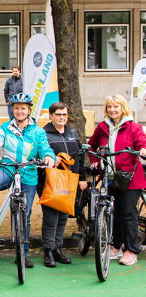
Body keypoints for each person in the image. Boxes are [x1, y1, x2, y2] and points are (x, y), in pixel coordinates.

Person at [0, 93, 55, 267]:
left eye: (23, 108)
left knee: (24, 214)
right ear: (12, 109)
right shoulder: (6, 127)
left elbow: (45, 149)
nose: (19, 111)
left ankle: (23, 254)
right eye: (16, 108)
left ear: (29, 110)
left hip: (28, 173)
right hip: (7, 168)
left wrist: (49, 157)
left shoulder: (38, 131)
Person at [88, 94, 146, 267]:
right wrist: (94, 162)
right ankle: (115, 246)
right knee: (114, 213)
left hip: (130, 177)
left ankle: (131, 250)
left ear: (123, 108)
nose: (112, 110)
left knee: (128, 214)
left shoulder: (133, 127)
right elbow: (91, 145)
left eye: (116, 106)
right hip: (109, 176)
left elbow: (141, 143)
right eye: (109, 107)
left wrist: (142, 149)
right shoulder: (103, 127)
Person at [37, 102, 87, 267]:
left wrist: (82, 178)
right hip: (50, 181)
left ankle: (58, 249)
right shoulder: (43, 133)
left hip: (69, 180)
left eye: (64, 115)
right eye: (58, 114)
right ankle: (48, 251)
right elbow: (38, 156)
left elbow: (79, 157)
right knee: (51, 217)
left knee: (63, 216)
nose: (61, 118)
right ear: (50, 116)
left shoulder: (72, 133)